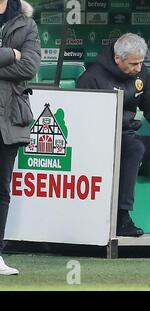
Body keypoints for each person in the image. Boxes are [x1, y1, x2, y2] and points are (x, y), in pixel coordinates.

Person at [77, 33, 150, 237]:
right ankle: (121, 217)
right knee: (134, 147)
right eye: (133, 64)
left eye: (141, 63)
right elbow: (82, 120)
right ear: (117, 58)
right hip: (102, 140)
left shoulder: (141, 74)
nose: (138, 68)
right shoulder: (92, 78)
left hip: (128, 134)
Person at [0, 0, 40, 275]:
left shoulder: (26, 22)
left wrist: (17, 58)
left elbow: (29, 67)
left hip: (10, 119)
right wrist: (10, 55)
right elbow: (18, 63)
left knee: (1, 191)